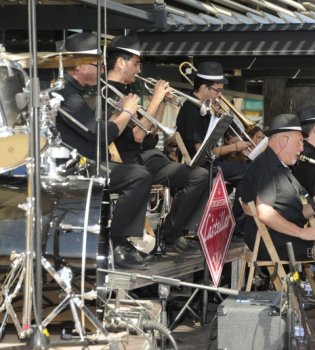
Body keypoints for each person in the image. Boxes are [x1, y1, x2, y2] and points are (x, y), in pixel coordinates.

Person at [237, 113, 315, 333]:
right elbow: (265, 212)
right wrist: (303, 233)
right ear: (282, 140)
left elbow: (289, 211)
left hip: (281, 237)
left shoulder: (276, 166)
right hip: (274, 242)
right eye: (299, 142)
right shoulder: (268, 168)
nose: (301, 148)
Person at [55, 32, 152, 269]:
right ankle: (118, 244)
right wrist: (127, 112)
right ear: (78, 66)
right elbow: (100, 135)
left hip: (88, 162)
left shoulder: (76, 92)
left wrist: (118, 113)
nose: (101, 69)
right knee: (138, 176)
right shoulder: (66, 94)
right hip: (76, 168)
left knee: (136, 172)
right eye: (96, 64)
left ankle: (120, 240)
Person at [106, 35, 208, 254]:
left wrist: (160, 103)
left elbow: (150, 131)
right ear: (121, 62)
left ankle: (172, 232)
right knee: (141, 175)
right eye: (136, 64)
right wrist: (154, 100)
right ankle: (124, 243)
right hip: (125, 162)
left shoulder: (127, 91)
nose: (139, 70)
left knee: (200, 176)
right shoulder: (106, 92)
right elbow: (137, 136)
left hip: (146, 159)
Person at [175, 61, 250, 186]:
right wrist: (235, 147)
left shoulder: (202, 108)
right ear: (204, 87)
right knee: (249, 171)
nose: (220, 95)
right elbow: (202, 153)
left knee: (250, 168)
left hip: (210, 165)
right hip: (200, 168)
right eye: (217, 90)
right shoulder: (191, 112)